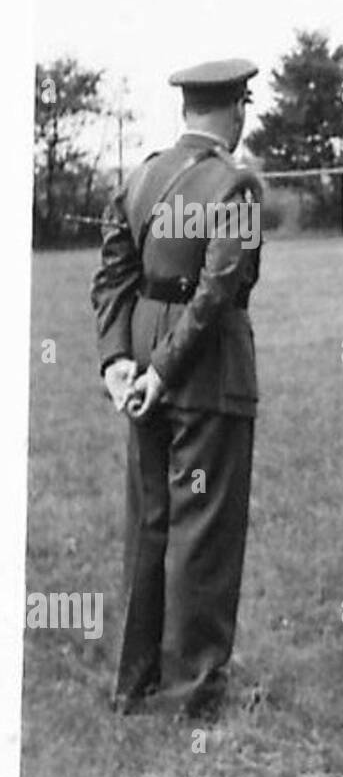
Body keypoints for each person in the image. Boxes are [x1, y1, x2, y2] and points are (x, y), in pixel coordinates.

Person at [90, 58, 263, 719]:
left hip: (140, 355)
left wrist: (119, 361)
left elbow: (112, 276)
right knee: (206, 529)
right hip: (206, 369)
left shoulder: (141, 177)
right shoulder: (237, 186)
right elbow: (220, 288)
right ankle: (192, 692)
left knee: (152, 521)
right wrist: (166, 369)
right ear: (237, 109)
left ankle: (135, 682)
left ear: (186, 109)